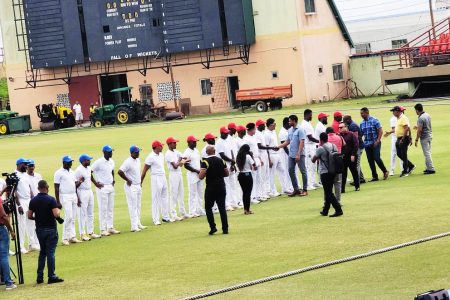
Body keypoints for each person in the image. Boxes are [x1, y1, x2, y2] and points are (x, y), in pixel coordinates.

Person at [28, 180, 64, 285]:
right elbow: (56, 214)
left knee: (42, 252)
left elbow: (29, 216)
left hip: (39, 229)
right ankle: (51, 276)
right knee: (50, 253)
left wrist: (38, 218)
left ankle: (39, 276)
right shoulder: (51, 199)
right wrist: (59, 211)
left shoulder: (33, 200)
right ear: (47, 187)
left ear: (38, 188)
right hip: (51, 229)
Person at [199, 146, 229, 235]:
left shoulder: (205, 162)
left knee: (208, 208)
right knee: (222, 208)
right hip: (221, 186)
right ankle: (225, 229)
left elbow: (201, 176)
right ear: (214, 151)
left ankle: (213, 227)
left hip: (211, 187)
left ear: (206, 152)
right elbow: (226, 173)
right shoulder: (221, 160)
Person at [312, 133, 343, 218]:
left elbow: (313, 160)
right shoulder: (333, 146)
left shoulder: (321, 148)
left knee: (328, 192)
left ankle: (338, 209)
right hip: (333, 170)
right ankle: (325, 210)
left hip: (324, 172)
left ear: (320, 139)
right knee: (328, 191)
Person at [91, 145, 120, 236]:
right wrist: (96, 183)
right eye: (109, 151)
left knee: (110, 208)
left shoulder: (112, 161)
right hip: (102, 187)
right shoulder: (98, 162)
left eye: (111, 151)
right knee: (103, 208)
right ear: (104, 152)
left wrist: (113, 180)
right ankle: (103, 229)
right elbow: (89, 172)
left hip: (110, 186)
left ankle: (110, 227)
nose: (111, 153)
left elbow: (112, 171)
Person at [142, 141, 171, 225]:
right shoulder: (150, 157)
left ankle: (165, 217)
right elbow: (145, 170)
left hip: (163, 176)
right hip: (155, 178)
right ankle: (156, 219)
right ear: (156, 147)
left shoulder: (161, 155)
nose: (162, 147)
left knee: (165, 197)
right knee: (156, 199)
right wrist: (141, 181)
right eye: (161, 146)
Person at [118, 146, 147, 232]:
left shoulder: (137, 160)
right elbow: (120, 171)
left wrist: (139, 182)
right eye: (136, 152)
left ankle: (138, 223)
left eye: (138, 152)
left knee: (138, 205)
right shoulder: (128, 162)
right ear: (131, 153)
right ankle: (133, 226)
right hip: (131, 187)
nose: (138, 153)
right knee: (133, 206)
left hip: (137, 185)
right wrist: (127, 179)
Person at [54, 156, 82, 245]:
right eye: (69, 162)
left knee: (73, 217)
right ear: (64, 163)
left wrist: (80, 182)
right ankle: (64, 238)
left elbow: (74, 185)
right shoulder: (58, 173)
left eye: (71, 162)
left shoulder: (72, 172)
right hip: (65, 196)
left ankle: (72, 236)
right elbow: (56, 187)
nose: (71, 163)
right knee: (69, 216)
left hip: (73, 195)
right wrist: (57, 201)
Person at [278, 115, 308, 197]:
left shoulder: (300, 129)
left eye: (290, 121)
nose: (289, 122)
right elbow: (287, 141)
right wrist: (278, 147)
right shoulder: (290, 130)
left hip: (299, 154)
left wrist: (298, 153)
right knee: (290, 170)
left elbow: (302, 142)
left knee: (303, 171)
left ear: (294, 121)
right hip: (291, 155)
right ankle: (296, 189)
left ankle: (305, 190)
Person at [14, 158, 39, 253]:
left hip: (29, 200)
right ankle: (21, 247)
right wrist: (19, 205)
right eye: (25, 164)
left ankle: (32, 244)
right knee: (21, 225)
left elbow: (30, 188)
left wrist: (33, 200)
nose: (26, 166)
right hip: (20, 201)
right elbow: (14, 191)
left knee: (31, 222)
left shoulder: (25, 175)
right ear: (19, 165)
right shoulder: (15, 175)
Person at [75, 154, 101, 241]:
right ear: (83, 161)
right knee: (82, 214)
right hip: (82, 192)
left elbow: (90, 176)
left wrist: (96, 184)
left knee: (90, 212)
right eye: (88, 160)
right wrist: (77, 198)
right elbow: (74, 185)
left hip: (89, 191)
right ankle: (82, 233)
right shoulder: (78, 170)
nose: (90, 161)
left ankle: (91, 232)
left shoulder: (88, 168)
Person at [360, 107, 389, 181]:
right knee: (370, 160)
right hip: (367, 144)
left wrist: (378, 140)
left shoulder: (374, 120)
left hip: (375, 143)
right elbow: (361, 134)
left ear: (367, 113)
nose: (361, 115)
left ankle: (385, 171)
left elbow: (380, 131)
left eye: (362, 113)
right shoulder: (362, 123)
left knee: (377, 158)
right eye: (361, 113)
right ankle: (374, 176)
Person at [388, 106, 415, 177]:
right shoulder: (398, 118)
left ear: (398, 111)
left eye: (393, 111)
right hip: (399, 138)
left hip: (403, 138)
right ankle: (411, 165)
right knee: (399, 154)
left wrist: (403, 139)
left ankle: (405, 171)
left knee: (403, 154)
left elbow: (407, 128)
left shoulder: (403, 118)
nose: (393, 113)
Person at [165, 138, 188, 221]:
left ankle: (183, 212)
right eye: (174, 143)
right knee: (174, 194)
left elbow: (185, 158)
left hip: (179, 173)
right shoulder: (168, 154)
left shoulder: (176, 151)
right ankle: (173, 214)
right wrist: (180, 161)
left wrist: (180, 161)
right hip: (173, 174)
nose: (175, 144)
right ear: (170, 144)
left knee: (181, 193)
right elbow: (175, 166)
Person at [216, 127, 238, 210]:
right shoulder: (219, 142)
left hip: (230, 164)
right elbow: (222, 155)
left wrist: (233, 163)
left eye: (227, 133)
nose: (227, 134)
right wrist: (231, 160)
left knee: (233, 184)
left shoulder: (228, 140)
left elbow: (231, 151)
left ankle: (234, 202)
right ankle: (227, 204)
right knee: (226, 185)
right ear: (221, 133)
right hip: (223, 166)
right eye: (225, 133)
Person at [183, 136, 204, 218]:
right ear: (189, 142)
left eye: (196, 141)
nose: (195, 143)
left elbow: (200, 161)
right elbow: (186, 165)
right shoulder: (186, 152)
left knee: (200, 192)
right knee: (192, 193)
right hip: (192, 175)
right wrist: (196, 170)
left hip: (199, 173)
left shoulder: (196, 151)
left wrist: (202, 170)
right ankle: (192, 211)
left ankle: (199, 209)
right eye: (194, 142)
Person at [0, 189, 17, 290]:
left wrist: (4, 190)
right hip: (1, 229)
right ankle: (8, 283)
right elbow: (4, 217)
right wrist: (11, 231)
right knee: (4, 256)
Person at [264, 118, 286, 197]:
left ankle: (284, 188)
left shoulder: (273, 132)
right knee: (272, 174)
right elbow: (266, 147)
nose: (275, 125)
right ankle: (273, 191)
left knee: (282, 170)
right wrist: (269, 159)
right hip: (272, 155)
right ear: (270, 125)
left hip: (278, 154)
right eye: (274, 124)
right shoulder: (266, 134)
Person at [343, 115, 366, 184]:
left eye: (344, 121)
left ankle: (357, 180)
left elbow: (355, 138)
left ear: (348, 120)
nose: (344, 123)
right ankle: (361, 178)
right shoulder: (351, 125)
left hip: (358, 147)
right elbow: (360, 134)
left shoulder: (353, 126)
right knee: (357, 163)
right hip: (358, 146)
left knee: (356, 164)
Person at [300, 109, 320, 190]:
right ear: (307, 115)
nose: (312, 116)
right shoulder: (305, 124)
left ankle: (313, 182)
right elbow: (310, 137)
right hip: (308, 147)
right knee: (309, 165)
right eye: (311, 115)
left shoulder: (308, 123)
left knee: (313, 165)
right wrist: (320, 141)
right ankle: (308, 184)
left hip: (312, 146)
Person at [244, 123, 263, 203]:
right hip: (252, 160)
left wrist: (260, 159)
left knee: (259, 178)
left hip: (257, 158)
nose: (255, 130)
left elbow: (256, 150)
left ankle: (258, 195)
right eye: (254, 129)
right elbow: (248, 152)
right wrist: (253, 162)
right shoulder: (246, 139)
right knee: (253, 179)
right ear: (251, 130)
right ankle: (252, 197)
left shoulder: (253, 137)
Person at [384, 106, 406, 176]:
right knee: (394, 153)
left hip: (401, 137)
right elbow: (394, 129)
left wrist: (389, 132)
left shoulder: (403, 118)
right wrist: (390, 132)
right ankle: (392, 170)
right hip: (395, 138)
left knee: (402, 153)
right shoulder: (393, 119)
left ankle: (403, 168)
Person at [414, 103, 435, 174]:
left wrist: (416, 139)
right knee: (428, 152)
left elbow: (420, 130)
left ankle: (431, 168)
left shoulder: (420, 118)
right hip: (429, 135)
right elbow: (425, 126)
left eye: (415, 110)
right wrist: (417, 127)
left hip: (424, 137)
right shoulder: (427, 115)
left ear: (417, 110)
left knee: (427, 153)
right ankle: (428, 167)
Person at [339, 123, 360, 192]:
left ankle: (357, 186)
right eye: (339, 128)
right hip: (343, 157)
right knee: (343, 173)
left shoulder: (351, 134)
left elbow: (356, 145)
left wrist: (353, 154)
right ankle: (342, 189)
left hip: (351, 156)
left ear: (346, 127)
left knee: (354, 171)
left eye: (341, 127)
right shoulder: (339, 136)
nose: (340, 129)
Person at [326, 127, 345, 203]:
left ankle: (328, 201)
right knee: (338, 182)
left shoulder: (325, 138)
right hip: (338, 160)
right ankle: (338, 201)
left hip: (328, 162)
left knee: (328, 184)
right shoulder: (339, 137)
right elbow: (344, 144)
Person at [236, 144, 255, 215]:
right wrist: (252, 156)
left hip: (241, 175)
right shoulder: (248, 156)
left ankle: (245, 209)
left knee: (244, 192)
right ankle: (248, 209)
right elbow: (254, 165)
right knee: (248, 193)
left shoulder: (238, 156)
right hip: (248, 174)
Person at [255, 120, 272, 200]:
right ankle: (261, 193)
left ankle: (266, 191)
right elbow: (259, 146)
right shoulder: (257, 134)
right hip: (261, 155)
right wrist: (270, 147)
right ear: (259, 126)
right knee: (262, 175)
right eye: (263, 125)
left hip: (265, 154)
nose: (264, 126)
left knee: (266, 174)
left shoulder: (262, 133)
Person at [278, 117, 294, 194]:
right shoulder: (282, 132)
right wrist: (289, 155)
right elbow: (284, 145)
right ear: (286, 123)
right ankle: (286, 188)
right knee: (286, 170)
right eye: (289, 122)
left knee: (289, 170)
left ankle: (290, 186)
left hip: (288, 153)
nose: (290, 124)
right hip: (285, 154)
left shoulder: (287, 131)